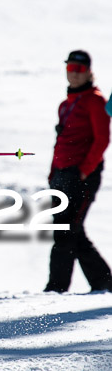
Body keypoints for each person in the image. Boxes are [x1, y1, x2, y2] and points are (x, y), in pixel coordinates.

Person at [45, 50, 112, 293]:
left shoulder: (96, 101)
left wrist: (85, 170)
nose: (73, 74)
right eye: (70, 69)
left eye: (79, 70)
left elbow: (102, 139)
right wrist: (53, 174)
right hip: (61, 175)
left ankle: (56, 287)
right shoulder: (65, 104)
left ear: (88, 72)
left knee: (67, 230)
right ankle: (104, 282)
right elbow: (60, 142)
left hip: (81, 175)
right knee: (72, 230)